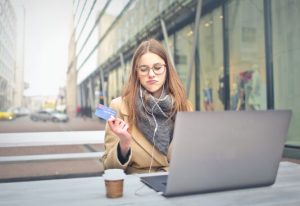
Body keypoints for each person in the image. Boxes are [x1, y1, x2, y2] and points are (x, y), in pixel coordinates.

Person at [101, 39, 193, 174]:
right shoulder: (117, 106)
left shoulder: (185, 106)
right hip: (138, 188)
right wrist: (124, 144)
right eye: (144, 69)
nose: (151, 74)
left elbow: (191, 155)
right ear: (136, 73)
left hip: (177, 182)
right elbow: (107, 166)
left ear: (167, 69)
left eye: (157, 68)